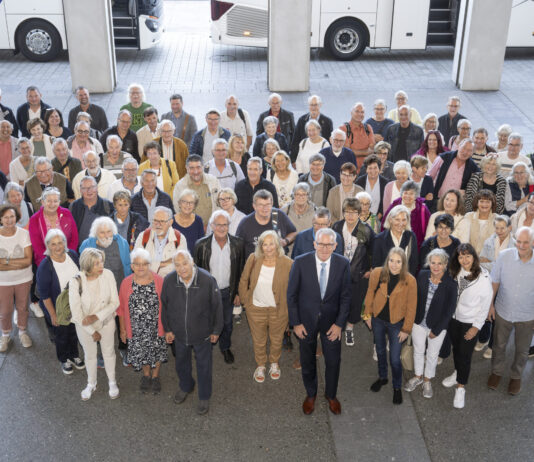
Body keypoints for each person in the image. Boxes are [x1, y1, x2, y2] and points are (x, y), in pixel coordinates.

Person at [288, 228, 351, 415]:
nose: (324, 248)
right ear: (314, 244)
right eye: (321, 244)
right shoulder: (300, 262)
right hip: (305, 322)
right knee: (307, 360)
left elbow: (346, 297)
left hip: (332, 323)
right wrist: (296, 323)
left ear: (335, 245)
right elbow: (291, 296)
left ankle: (331, 395)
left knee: (333, 361)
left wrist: (339, 324)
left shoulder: (343, 264)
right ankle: (311, 394)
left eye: (329, 245)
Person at [161, 250, 223, 415]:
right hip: (179, 333)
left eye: (185, 263)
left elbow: (217, 306)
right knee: (181, 363)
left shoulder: (207, 280)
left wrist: (216, 330)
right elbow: (164, 307)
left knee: (204, 366)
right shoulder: (169, 281)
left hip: (202, 333)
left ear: (192, 262)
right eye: (177, 265)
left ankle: (204, 396)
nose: (182, 268)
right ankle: (186, 386)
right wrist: (167, 329)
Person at [363, 247, 417, 405]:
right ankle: (383, 377)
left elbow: (412, 306)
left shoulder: (410, 280)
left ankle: (397, 387)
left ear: (403, 263)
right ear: (387, 261)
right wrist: (367, 315)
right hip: (378, 320)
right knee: (380, 350)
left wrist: (406, 329)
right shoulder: (377, 273)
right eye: (391, 260)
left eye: (398, 261)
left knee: (394, 358)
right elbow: (370, 292)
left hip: (397, 323)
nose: (394, 264)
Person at [238, 230, 292, 382]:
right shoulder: (253, 258)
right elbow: (244, 280)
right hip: (256, 308)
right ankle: (261, 364)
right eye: (265, 244)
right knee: (259, 340)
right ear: (260, 246)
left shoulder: (288, 263)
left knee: (276, 339)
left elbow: (295, 288)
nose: (268, 248)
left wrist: (289, 308)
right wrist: (246, 302)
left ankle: (274, 363)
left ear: (277, 245)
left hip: (278, 310)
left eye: (271, 244)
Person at [442, 244, 492, 408]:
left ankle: (461, 387)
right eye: (461, 256)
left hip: (470, 322)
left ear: (474, 257)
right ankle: (457, 373)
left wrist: (476, 327)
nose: (464, 260)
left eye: (467, 256)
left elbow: (485, 306)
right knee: (457, 350)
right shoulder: (455, 271)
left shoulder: (483, 277)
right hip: (454, 320)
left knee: (465, 355)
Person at [404, 249, 457, 398]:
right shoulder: (422, 275)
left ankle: (427, 380)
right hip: (419, 322)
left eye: (440, 263)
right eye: (433, 263)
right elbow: (413, 298)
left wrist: (438, 329)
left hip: (437, 326)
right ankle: (418, 377)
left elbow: (450, 310)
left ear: (445, 265)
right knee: (418, 351)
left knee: (432, 355)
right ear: (429, 263)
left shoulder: (451, 283)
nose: (436, 266)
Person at [487, 227, 534, 396]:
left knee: (522, 349)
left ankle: (516, 376)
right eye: (518, 242)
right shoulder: (504, 256)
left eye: (526, 242)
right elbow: (495, 281)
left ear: (533, 242)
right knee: (499, 345)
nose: (521, 246)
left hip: (528, 315)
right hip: (503, 310)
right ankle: (496, 372)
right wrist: (490, 305)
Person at [69, 248, 120, 401]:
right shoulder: (75, 281)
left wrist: (96, 316)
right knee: (90, 356)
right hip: (84, 327)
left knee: (109, 353)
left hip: (106, 321)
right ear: (87, 265)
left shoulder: (108, 274)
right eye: (96, 263)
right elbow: (77, 314)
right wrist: (92, 331)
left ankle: (112, 382)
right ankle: (91, 383)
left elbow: (115, 302)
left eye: (101, 261)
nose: (101, 265)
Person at [194, 210, 245, 364]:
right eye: (218, 225)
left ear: (229, 226)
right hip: (207, 292)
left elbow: (241, 270)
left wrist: (238, 292)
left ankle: (225, 347)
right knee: (206, 322)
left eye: (225, 225)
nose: (221, 228)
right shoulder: (201, 245)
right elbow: (195, 271)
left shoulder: (238, 244)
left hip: (228, 292)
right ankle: (205, 349)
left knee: (227, 323)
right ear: (211, 226)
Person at [118, 248, 167, 394]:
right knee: (142, 353)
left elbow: (168, 306)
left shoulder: (159, 281)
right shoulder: (126, 283)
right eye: (137, 264)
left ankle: (155, 376)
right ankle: (146, 375)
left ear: (149, 265)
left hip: (156, 327)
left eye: (144, 264)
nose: (141, 267)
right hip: (136, 328)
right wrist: (122, 330)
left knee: (157, 352)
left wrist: (169, 328)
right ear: (132, 266)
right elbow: (121, 309)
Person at [35, 229, 85, 373]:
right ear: (48, 246)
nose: (58, 247)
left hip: (75, 303)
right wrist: (53, 314)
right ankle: (64, 359)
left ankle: (74, 355)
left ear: (65, 242)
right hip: (57, 307)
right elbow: (44, 295)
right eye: (53, 244)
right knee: (61, 335)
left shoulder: (73, 255)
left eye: (60, 242)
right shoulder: (45, 266)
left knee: (74, 331)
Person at [332, 198, 374, 346]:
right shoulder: (336, 227)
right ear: (343, 213)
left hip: (359, 273)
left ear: (359, 213)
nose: (350, 215)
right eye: (347, 212)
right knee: (338, 300)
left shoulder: (366, 230)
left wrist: (370, 269)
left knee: (355, 303)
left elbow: (372, 251)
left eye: (354, 212)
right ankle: (338, 324)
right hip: (339, 272)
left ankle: (349, 327)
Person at [477, 215, 515, 359]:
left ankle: (492, 345)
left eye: (502, 228)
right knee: (485, 310)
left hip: (505, 285)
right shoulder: (489, 241)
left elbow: (508, 268)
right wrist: (497, 263)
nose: (499, 231)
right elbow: (481, 261)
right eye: (497, 228)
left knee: (498, 317)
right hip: (489, 281)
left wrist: (491, 262)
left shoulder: (514, 245)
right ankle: (483, 338)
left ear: (509, 228)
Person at [0, 205, 33, 352]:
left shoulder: (24, 234)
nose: (9, 220)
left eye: (12, 216)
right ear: (1, 219)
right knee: (5, 310)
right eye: (6, 217)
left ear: (16, 217)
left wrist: (5, 262)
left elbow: (28, 261)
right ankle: (5, 335)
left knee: (22, 307)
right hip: (3, 281)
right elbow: (22, 261)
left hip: (23, 279)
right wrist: (17, 263)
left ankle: (22, 332)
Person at [236, 189, 296, 257]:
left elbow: (293, 233)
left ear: (272, 204)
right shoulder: (245, 223)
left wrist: (285, 241)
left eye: (268, 204)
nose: (265, 208)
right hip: (256, 261)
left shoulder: (278, 215)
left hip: (279, 260)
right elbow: (237, 247)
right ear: (254, 206)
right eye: (261, 205)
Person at [28, 186, 78, 267]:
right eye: (49, 201)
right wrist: (51, 260)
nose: (52, 204)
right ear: (42, 202)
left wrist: (67, 256)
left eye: (55, 201)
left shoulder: (66, 213)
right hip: (45, 261)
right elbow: (37, 245)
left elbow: (74, 238)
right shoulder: (35, 219)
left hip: (67, 258)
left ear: (59, 202)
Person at [134, 206, 187, 278]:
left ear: (170, 222)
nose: (158, 224)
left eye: (162, 221)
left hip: (170, 281)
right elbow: (137, 263)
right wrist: (164, 263)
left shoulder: (180, 238)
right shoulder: (143, 236)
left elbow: (181, 265)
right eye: (155, 220)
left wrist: (149, 264)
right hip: (146, 280)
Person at [172, 155, 220, 226]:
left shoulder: (213, 181)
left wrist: (214, 224)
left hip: (213, 226)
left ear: (203, 167)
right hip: (190, 226)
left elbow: (220, 203)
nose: (195, 171)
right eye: (191, 168)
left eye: (198, 167)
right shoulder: (180, 186)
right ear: (186, 168)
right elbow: (177, 208)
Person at [382, 181, 431, 248]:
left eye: (411, 193)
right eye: (405, 193)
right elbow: (385, 225)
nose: (408, 196)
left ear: (416, 196)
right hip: (394, 246)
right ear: (401, 194)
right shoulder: (394, 205)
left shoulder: (423, 209)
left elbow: (429, 229)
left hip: (416, 247)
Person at [373, 205, 418, 275]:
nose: (401, 223)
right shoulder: (379, 239)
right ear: (390, 220)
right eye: (397, 220)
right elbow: (376, 265)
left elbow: (414, 262)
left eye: (404, 220)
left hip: (405, 278)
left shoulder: (411, 236)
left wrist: (407, 279)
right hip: (385, 278)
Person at [70, 176, 114, 244]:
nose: (89, 191)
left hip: (103, 247)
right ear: (80, 190)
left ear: (97, 188)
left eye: (92, 187)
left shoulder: (108, 206)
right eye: (84, 188)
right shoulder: (74, 206)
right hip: (80, 248)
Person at [340, 102, 375, 172]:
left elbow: (372, 149)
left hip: (366, 170)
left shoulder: (368, 128)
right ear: (351, 112)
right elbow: (347, 152)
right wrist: (366, 152)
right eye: (357, 111)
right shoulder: (343, 129)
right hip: (349, 171)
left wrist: (355, 151)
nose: (360, 114)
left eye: (362, 112)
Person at [463, 190, 497, 254]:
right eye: (481, 201)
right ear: (477, 203)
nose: (484, 204)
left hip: (489, 257)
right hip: (469, 255)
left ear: (492, 203)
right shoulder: (468, 217)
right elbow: (463, 239)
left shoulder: (498, 219)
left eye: (487, 202)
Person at [356, 154, 389, 219]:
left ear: (379, 169)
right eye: (370, 168)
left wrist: (374, 220)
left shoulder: (385, 183)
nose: (373, 171)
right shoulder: (359, 182)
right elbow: (356, 203)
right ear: (366, 170)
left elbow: (384, 205)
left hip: (378, 219)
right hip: (361, 218)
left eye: (375, 168)